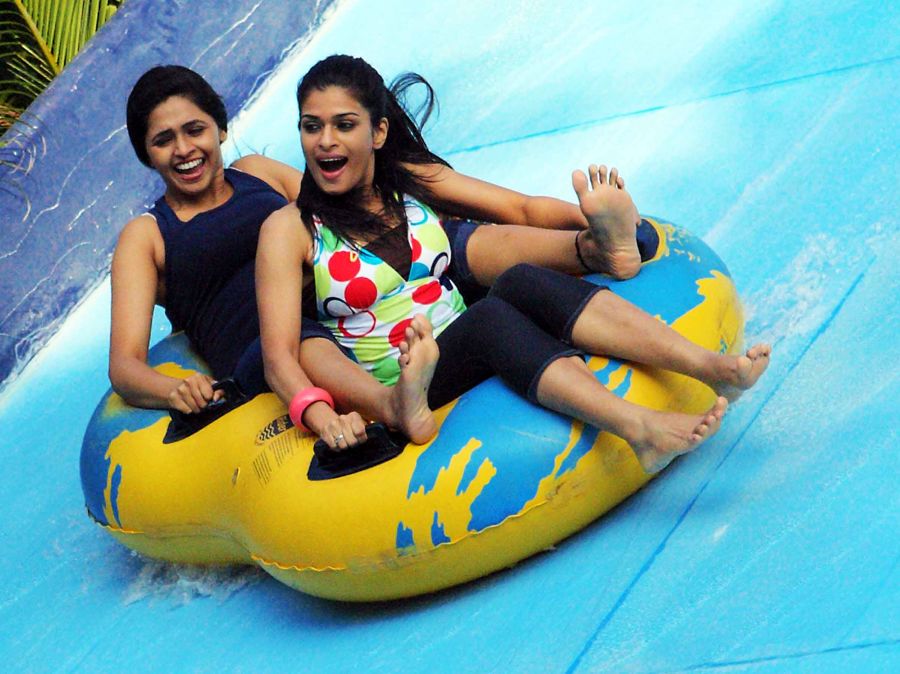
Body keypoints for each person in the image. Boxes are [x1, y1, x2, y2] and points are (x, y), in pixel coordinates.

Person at [257, 55, 772, 473]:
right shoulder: (291, 230)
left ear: (378, 132)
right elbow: (280, 355)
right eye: (311, 127)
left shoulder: (407, 181)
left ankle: (709, 367)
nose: (325, 141)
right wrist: (322, 417)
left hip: (459, 338)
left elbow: (518, 208)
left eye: (344, 125)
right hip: (404, 384)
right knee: (487, 320)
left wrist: (600, 227)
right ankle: (639, 429)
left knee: (520, 280)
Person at [108, 64, 652, 450]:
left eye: (195, 130)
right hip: (269, 340)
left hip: (338, 296)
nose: (184, 150)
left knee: (455, 242)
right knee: (305, 339)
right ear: (144, 153)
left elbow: (339, 206)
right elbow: (125, 364)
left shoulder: (257, 173)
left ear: (220, 129)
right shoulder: (147, 235)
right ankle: (392, 404)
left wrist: (414, 206)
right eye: (163, 140)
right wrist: (172, 387)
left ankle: (593, 243)